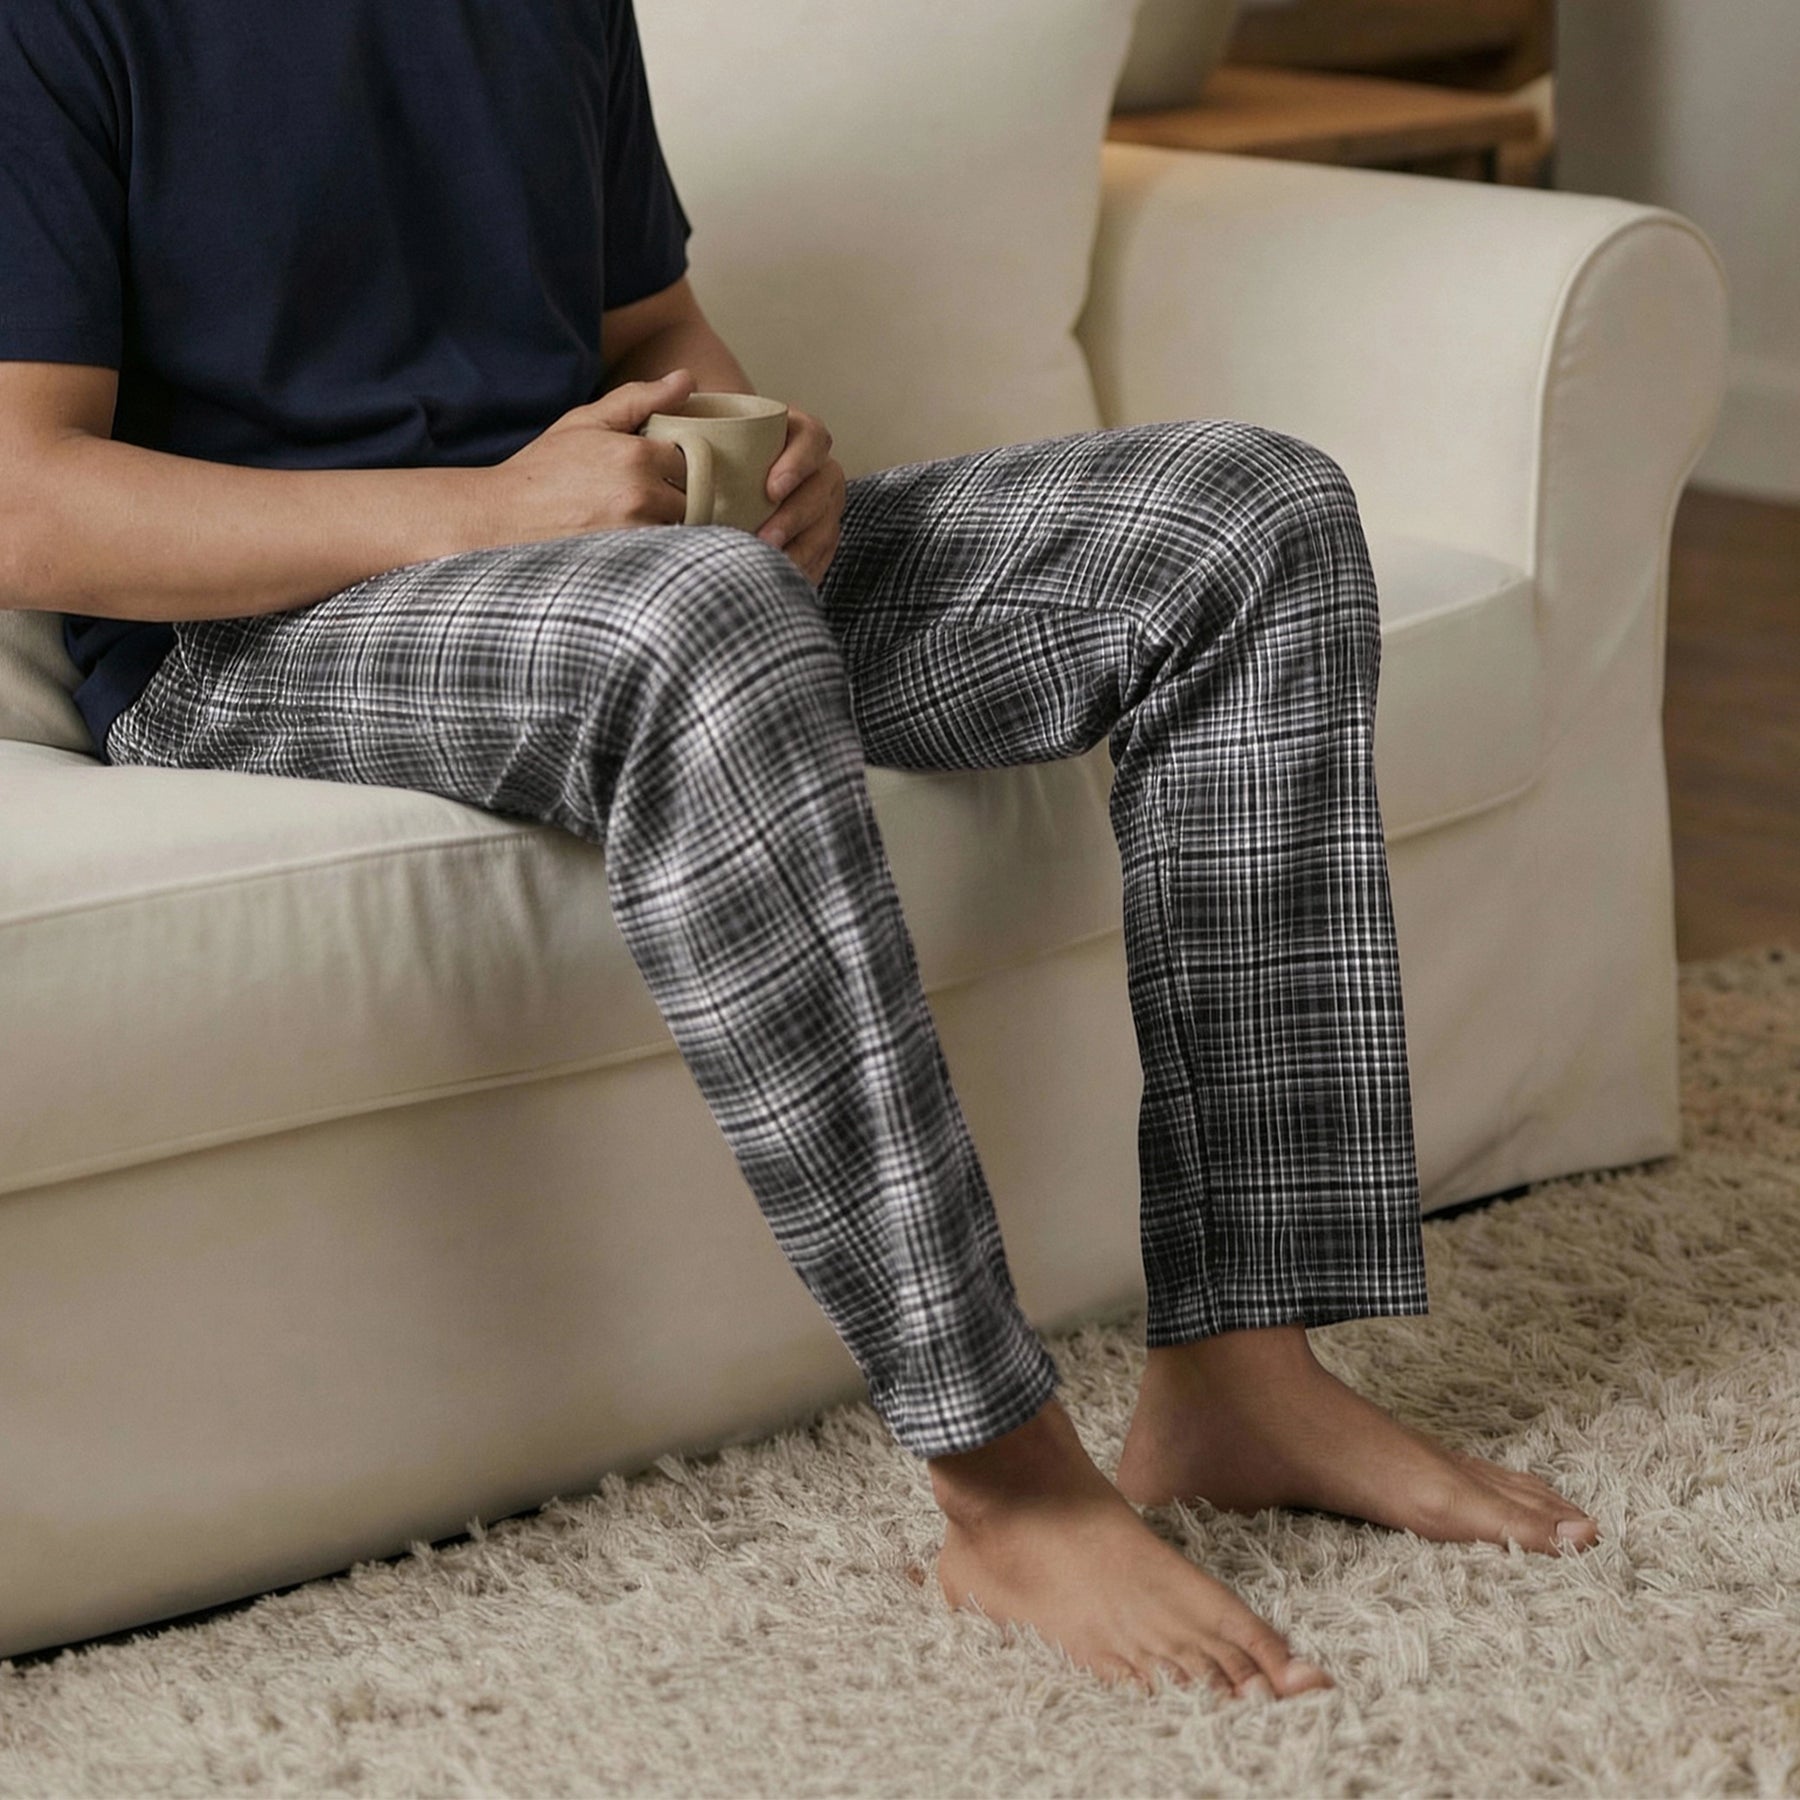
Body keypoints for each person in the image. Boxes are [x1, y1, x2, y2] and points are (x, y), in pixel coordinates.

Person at [0, 0, 1600, 1702]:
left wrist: (770, 454)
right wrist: (487, 515)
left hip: (628, 566)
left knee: (1243, 514)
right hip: (250, 640)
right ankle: (1007, 1487)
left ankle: (1244, 1376)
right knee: (701, 613)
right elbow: (26, 498)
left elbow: (652, 333)